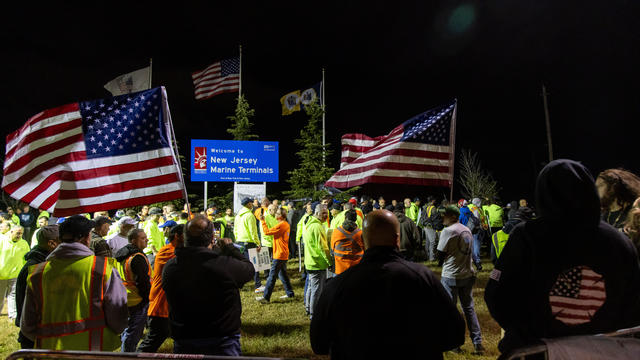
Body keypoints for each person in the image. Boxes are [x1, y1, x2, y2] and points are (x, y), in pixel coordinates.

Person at [485, 159, 640, 355]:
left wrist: (523, 330)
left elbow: (498, 295)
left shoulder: (528, 236)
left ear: (543, 193)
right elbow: (633, 303)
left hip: (537, 350)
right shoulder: (619, 242)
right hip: (600, 351)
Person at [311, 209, 465, 359]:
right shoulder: (422, 278)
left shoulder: (337, 285)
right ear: (397, 239)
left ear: (364, 241)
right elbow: (455, 333)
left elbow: (319, 344)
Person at [20, 215, 127, 350]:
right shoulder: (102, 268)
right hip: (94, 351)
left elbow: (27, 325)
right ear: (87, 238)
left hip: (50, 353)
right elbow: (118, 315)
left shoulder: (38, 273)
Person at [163, 215, 254, 355]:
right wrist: (230, 248)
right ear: (212, 238)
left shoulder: (170, 267)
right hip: (221, 340)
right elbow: (248, 270)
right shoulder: (223, 265)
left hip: (185, 338)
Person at [437, 205, 485, 354]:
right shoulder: (466, 229)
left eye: (444, 215)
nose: (441, 217)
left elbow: (440, 254)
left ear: (452, 217)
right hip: (467, 274)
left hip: (451, 275)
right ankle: (478, 343)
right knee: (469, 309)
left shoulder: (448, 231)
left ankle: (454, 344)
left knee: (450, 311)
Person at [137, 224, 184, 352]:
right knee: (154, 338)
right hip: (160, 302)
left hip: (171, 303)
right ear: (177, 236)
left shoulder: (178, 250)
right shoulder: (167, 251)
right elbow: (185, 259)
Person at [14, 225, 60, 349]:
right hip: (35, 335)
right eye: (63, 241)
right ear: (52, 243)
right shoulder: (36, 268)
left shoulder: (39, 263)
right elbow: (25, 302)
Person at [115, 228, 151, 352]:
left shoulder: (122, 255)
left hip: (124, 297)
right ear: (134, 240)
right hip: (137, 299)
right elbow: (143, 281)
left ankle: (124, 353)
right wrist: (147, 298)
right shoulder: (137, 257)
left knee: (128, 330)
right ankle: (127, 356)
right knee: (133, 333)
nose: (146, 239)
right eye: (143, 238)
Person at [256, 207, 294, 303]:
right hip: (282, 253)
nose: (275, 214)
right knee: (283, 275)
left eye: (277, 213)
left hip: (279, 254)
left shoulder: (281, 225)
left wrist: (262, 221)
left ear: (281, 216)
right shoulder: (285, 224)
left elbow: (266, 232)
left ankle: (266, 297)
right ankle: (290, 293)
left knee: (272, 276)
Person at [303, 204, 331, 319]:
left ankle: (308, 308)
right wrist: (329, 262)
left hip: (310, 261)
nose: (326, 216)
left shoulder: (310, 223)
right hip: (317, 263)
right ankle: (314, 314)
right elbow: (323, 248)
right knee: (316, 290)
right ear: (317, 213)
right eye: (324, 213)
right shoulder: (318, 227)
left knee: (310, 286)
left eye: (327, 213)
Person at [0, 226, 30, 320]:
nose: (19, 235)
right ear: (11, 231)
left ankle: (12, 314)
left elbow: (26, 258)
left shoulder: (24, 243)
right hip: (2, 273)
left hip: (16, 274)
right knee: (0, 294)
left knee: (13, 294)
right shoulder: (2, 241)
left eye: (21, 233)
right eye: (17, 233)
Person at [234, 197, 262, 292]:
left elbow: (235, 230)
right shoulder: (250, 215)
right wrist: (258, 243)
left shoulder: (238, 216)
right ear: (249, 204)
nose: (253, 205)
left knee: (241, 264)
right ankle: (258, 285)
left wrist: (237, 240)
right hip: (249, 242)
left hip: (239, 242)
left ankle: (239, 284)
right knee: (255, 263)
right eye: (252, 203)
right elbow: (253, 231)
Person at [330, 209, 364, 274]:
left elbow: (332, 249)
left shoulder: (336, 232)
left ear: (345, 218)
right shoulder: (360, 233)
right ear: (355, 219)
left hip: (340, 268)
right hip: (355, 269)